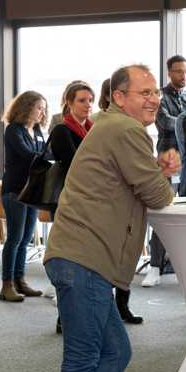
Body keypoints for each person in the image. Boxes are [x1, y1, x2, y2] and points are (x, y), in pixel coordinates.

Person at [44, 64, 178, 372]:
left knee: (116, 352)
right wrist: (161, 176)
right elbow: (158, 196)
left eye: (155, 92)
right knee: (82, 358)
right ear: (119, 97)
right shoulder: (126, 130)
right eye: (144, 93)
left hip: (83, 258)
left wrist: (154, 171)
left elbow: (131, 180)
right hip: (84, 259)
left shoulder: (111, 126)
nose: (154, 100)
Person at [50, 80, 144, 329]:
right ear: (69, 103)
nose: (87, 105)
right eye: (82, 100)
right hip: (74, 203)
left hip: (104, 203)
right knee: (77, 263)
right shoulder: (62, 130)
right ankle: (65, 316)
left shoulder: (96, 128)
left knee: (107, 259)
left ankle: (118, 306)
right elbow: (77, 165)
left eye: (90, 100)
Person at [145, 55, 186, 287]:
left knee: (185, 214)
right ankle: (155, 266)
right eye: (178, 72)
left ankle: (176, 264)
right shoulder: (159, 97)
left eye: (185, 71)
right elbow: (166, 123)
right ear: (169, 72)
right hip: (166, 164)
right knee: (162, 212)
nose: (183, 76)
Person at [0, 91, 49, 302]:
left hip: (32, 191)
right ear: (27, 107)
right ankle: (6, 285)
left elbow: (44, 153)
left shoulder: (37, 130)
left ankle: (20, 280)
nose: (42, 112)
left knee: (26, 239)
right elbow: (30, 155)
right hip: (15, 190)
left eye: (44, 109)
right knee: (15, 239)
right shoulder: (13, 130)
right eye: (39, 107)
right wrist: (47, 155)